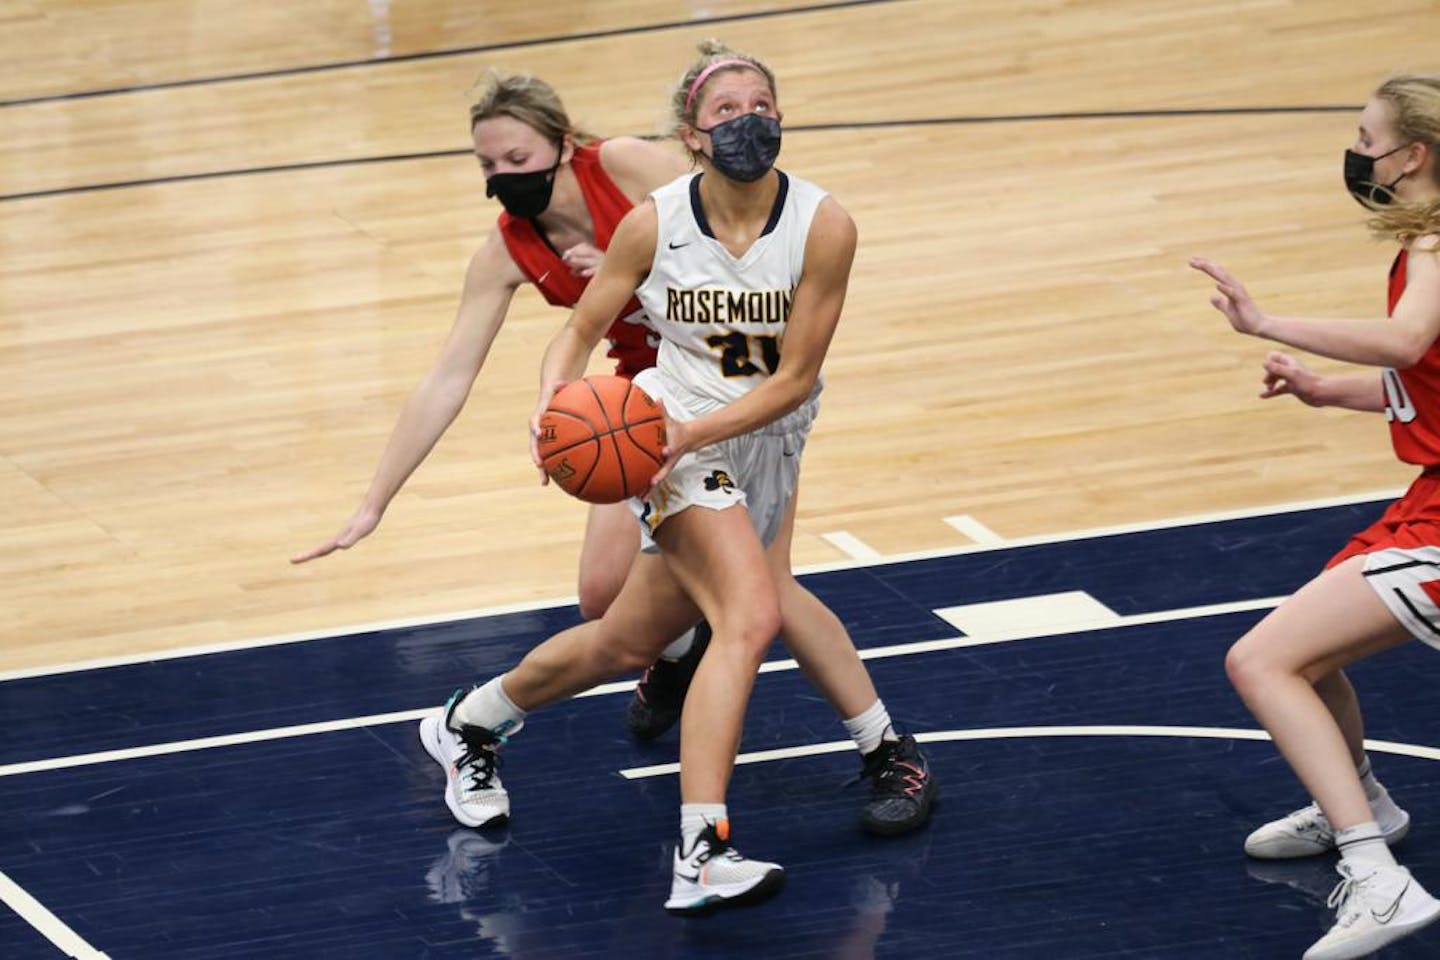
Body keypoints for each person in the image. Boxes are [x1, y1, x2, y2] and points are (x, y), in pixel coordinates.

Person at [429, 40, 938, 915]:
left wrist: (696, 431)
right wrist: (556, 402)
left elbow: (792, 380)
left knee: (624, 641)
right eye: (727, 111)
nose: (749, 121)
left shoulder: (825, 225)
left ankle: (469, 720)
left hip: (762, 436)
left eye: (761, 105)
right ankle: (703, 849)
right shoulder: (653, 220)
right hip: (674, 438)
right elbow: (578, 331)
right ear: (690, 135)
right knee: (750, 616)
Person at [288, 71, 706, 740]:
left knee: (738, 582)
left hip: (728, 369)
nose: (504, 175)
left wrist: (637, 265)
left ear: (565, 146)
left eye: (518, 159)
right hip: (645, 393)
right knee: (602, 598)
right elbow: (447, 378)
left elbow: (740, 235)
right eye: (489, 165)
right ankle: (686, 652)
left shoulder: (624, 164)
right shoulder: (507, 247)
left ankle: (875, 738)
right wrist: (374, 503)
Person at [1191, 73, 1440, 960]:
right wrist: (1322, 391)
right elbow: (1420, 379)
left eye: (1368, 138)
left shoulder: (1438, 244)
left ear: (1413, 155)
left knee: (1261, 660)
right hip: (1426, 500)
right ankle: (1363, 803)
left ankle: (1380, 880)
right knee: (1307, 644)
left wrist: (1267, 324)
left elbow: (1408, 344)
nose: (1358, 153)